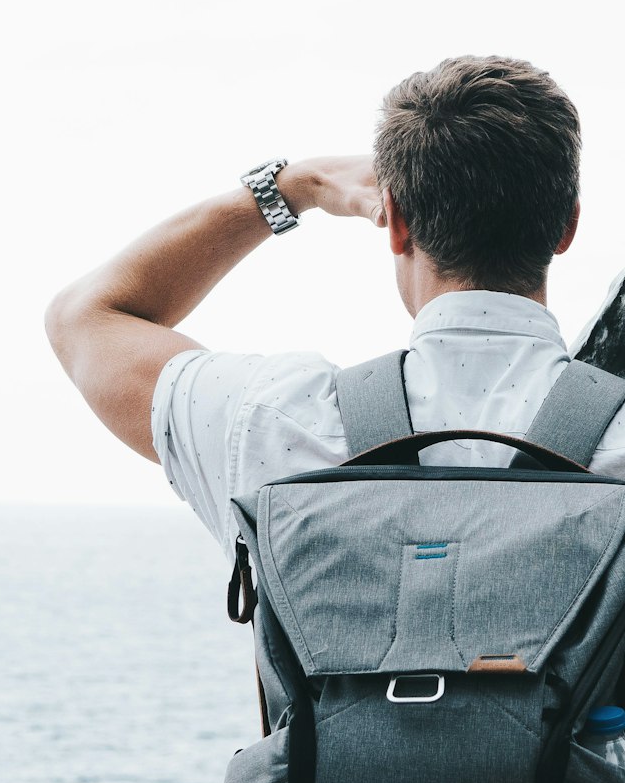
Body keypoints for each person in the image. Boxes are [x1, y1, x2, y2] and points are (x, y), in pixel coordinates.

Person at [45, 54, 625, 560]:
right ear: (567, 224)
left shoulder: (276, 417)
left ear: (394, 221)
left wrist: (295, 187)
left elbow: (83, 317)